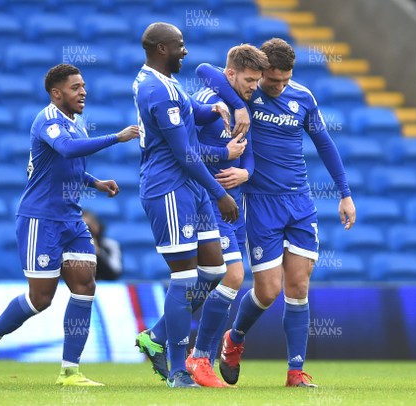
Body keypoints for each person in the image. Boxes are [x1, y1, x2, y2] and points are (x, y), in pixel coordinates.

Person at [196, 38, 356, 387]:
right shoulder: (243, 96)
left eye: (284, 80)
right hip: (260, 203)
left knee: (298, 285)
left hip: (299, 201)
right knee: (267, 291)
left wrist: (344, 194)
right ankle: (234, 339)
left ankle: (295, 372)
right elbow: (205, 70)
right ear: (259, 72)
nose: (278, 87)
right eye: (271, 81)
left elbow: (324, 144)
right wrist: (239, 108)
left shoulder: (303, 98)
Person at [0, 63, 139, 386]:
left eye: (84, 86)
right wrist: (116, 138)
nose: (83, 92)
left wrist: (96, 182)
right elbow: (65, 148)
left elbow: (68, 166)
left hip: (72, 220)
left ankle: (70, 370)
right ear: (56, 93)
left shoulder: (75, 124)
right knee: (41, 299)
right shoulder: (47, 120)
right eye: (76, 87)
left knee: (85, 285)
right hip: (40, 220)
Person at [132, 22, 239, 388]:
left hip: (190, 187)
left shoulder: (168, 83)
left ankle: (156, 336)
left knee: (213, 270)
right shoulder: (155, 89)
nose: (186, 51)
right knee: (184, 277)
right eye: (179, 45)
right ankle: (178, 370)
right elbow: (185, 153)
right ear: (162, 49)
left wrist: (216, 109)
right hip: (169, 188)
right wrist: (220, 192)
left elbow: (193, 110)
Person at [184, 44, 269, 387]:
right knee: (232, 275)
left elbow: (246, 152)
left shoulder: (245, 105)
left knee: (220, 278)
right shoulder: (207, 100)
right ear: (230, 74)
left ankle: (158, 335)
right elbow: (185, 151)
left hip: (231, 202)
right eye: (249, 80)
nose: (254, 87)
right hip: (206, 200)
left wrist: (244, 173)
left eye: (257, 81)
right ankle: (199, 357)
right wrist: (223, 153)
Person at [82, 210, 123, 281]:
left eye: (88, 227)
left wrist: (98, 253)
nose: (85, 232)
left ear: (96, 226)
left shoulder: (110, 245)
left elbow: (115, 272)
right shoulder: (67, 247)